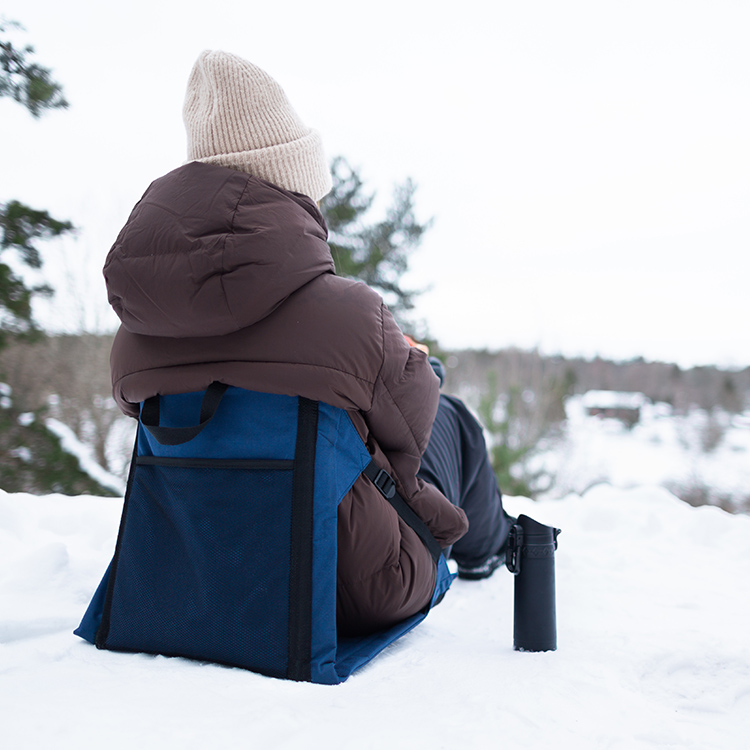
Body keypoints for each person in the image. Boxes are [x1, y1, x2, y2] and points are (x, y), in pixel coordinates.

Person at [103, 50, 512, 637]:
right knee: (452, 416)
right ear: (293, 182)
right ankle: (486, 552)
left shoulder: (135, 335)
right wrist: (420, 368)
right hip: (347, 585)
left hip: (201, 573)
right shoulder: (351, 314)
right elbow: (410, 432)